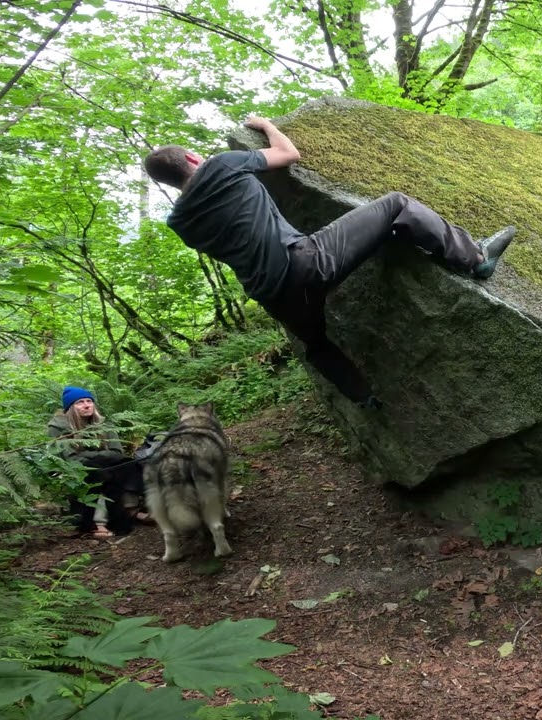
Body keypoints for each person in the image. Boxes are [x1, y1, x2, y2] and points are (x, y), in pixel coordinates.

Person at [142, 114, 517, 409]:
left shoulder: (179, 223)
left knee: (318, 344)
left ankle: (364, 397)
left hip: (273, 295)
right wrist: (266, 126)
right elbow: (288, 155)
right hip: (304, 262)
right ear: (193, 158)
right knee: (396, 205)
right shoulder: (222, 165)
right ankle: (476, 258)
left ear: (169, 183)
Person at [46, 386, 149, 538]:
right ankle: (92, 523)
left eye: (89, 401)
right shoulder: (59, 426)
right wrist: (101, 456)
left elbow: (117, 453)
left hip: (105, 464)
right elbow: (71, 458)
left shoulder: (104, 424)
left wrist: (91, 454)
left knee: (128, 465)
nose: (87, 405)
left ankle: (128, 513)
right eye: (80, 402)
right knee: (96, 472)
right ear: (71, 407)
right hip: (71, 469)